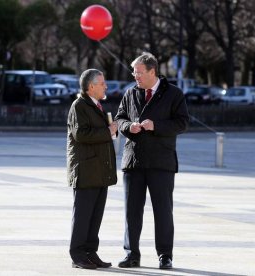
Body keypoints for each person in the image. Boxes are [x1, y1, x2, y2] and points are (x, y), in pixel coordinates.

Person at [115, 52, 189, 269]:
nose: (135, 75)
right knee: (132, 211)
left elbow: (182, 123)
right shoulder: (130, 93)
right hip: (134, 161)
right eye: (134, 72)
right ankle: (131, 254)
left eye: (138, 72)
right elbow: (120, 118)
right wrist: (129, 127)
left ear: (152, 71)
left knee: (163, 211)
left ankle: (165, 255)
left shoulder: (173, 94)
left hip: (161, 161)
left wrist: (155, 126)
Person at [67, 69, 118, 269]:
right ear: (91, 87)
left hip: (99, 171)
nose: (106, 86)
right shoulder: (79, 106)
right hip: (86, 170)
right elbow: (81, 135)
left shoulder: (95, 105)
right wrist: (108, 131)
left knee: (95, 215)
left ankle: (90, 251)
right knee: (83, 216)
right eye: (102, 83)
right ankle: (78, 254)